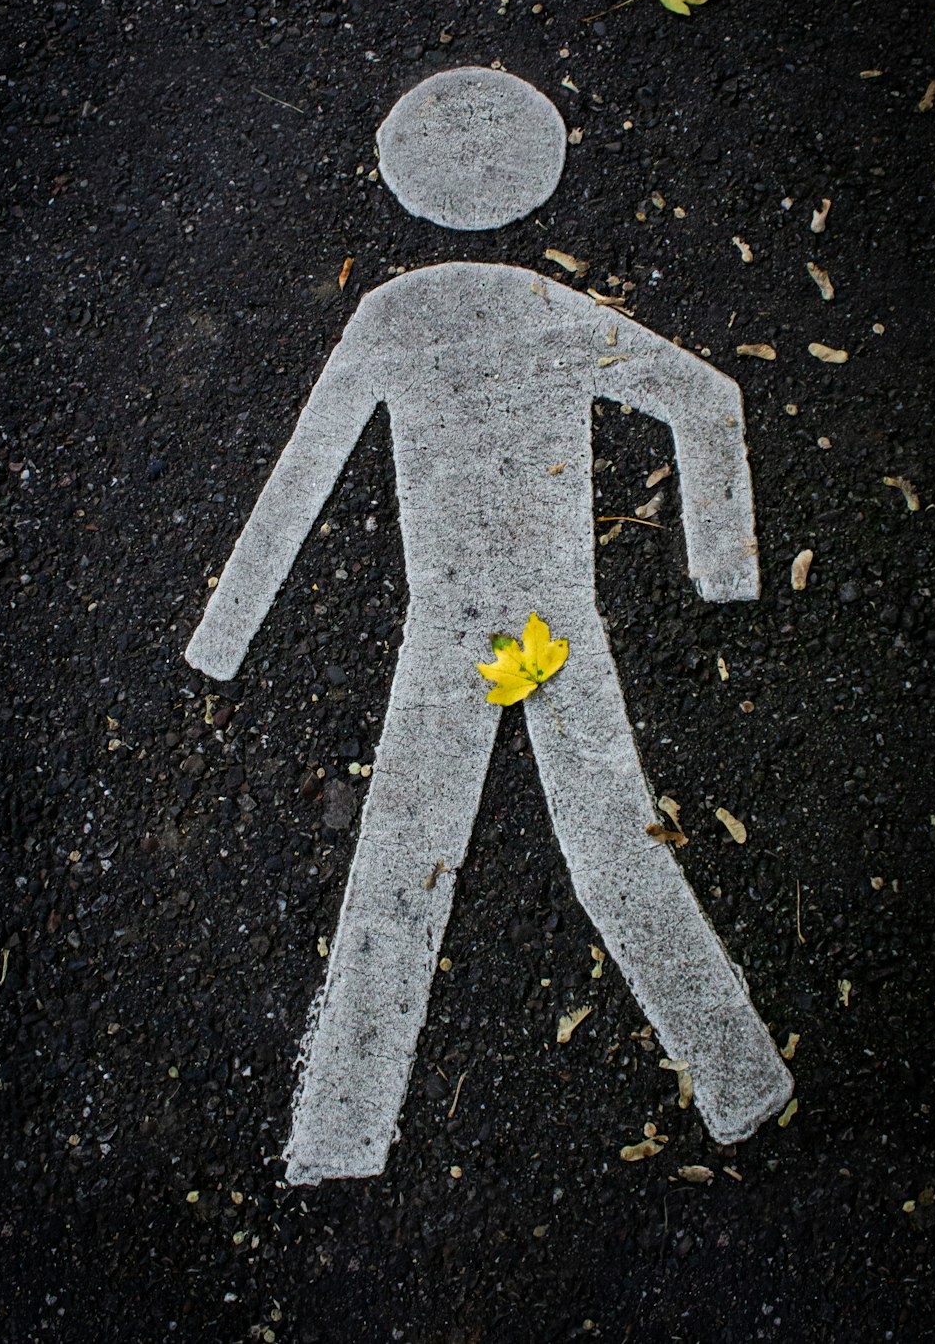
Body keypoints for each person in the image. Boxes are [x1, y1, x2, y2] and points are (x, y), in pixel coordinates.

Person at [186, 67, 793, 1185]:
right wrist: (717, 567)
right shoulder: (545, 308)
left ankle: (338, 1133)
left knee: (406, 858)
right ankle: (742, 1074)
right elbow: (708, 400)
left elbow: (302, 476)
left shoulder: (396, 313)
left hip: (456, 626)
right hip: (552, 620)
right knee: (609, 848)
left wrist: (227, 635)